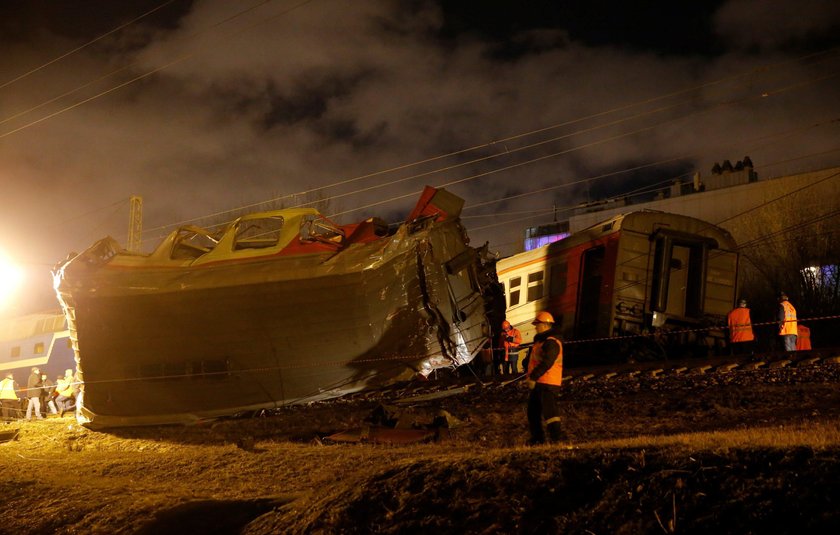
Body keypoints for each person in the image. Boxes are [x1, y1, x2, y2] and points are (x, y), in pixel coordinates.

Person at [525, 311, 564, 445]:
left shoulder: (551, 342)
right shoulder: (541, 342)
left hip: (547, 382)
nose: (536, 327)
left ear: (546, 325)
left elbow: (548, 362)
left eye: (538, 325)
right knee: (533, 412)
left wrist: (533, 376)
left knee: (550, 412)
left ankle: (557, 439)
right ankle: (538, 439)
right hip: (540, 382)